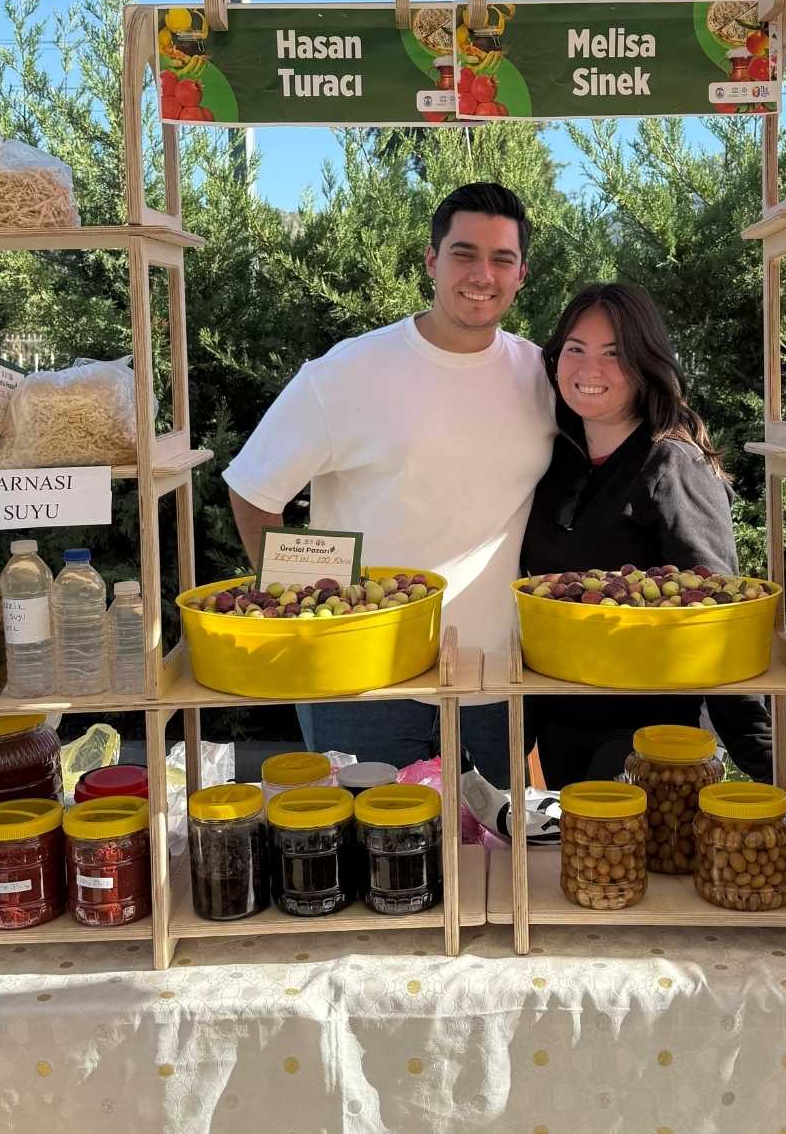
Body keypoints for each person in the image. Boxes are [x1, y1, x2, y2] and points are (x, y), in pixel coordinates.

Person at [224, 182, 554, 787]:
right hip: (361, 680)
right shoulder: (348, 371)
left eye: (501, 259)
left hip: (495, 676)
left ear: (522, 274)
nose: (482, 274)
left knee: (494, 841)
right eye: (463, 253)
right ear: (431, 260)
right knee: (359, 844)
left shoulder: (541, 374)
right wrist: (301, 609)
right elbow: (253, 490)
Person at [521, 282, 786, 795]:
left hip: (657, 746)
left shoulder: (672, 465)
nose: (590, 369)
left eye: (613, 353)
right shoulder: (554, 461)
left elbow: (720, 620)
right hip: (562, 734)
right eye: (576, 349)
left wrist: (771, 765)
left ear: (645, 364)